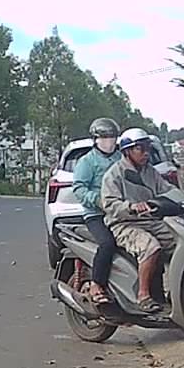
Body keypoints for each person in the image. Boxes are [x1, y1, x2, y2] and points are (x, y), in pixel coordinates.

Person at [101, 128, 177, 313]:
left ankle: (178, 293)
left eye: (147, 148)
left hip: (151, 221)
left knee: (181, 242)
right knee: (150, 247)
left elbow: (167, 190)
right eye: (140, 149)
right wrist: (131, 207)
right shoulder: (115, 174)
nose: (146, 153)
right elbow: (109, 204)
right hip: (124, 224)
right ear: (127, 151)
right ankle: (143, 296)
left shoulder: (150, 171)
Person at [69, 117, 122, 304]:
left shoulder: (121, 159)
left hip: (121, 212)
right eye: (105, 137)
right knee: (107, 244)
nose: (109, 141)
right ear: (96, 139)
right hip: (96, 215)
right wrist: (98, 201)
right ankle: (97, 284)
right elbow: (79, 189)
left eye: (112, 137)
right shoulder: (87, 162)